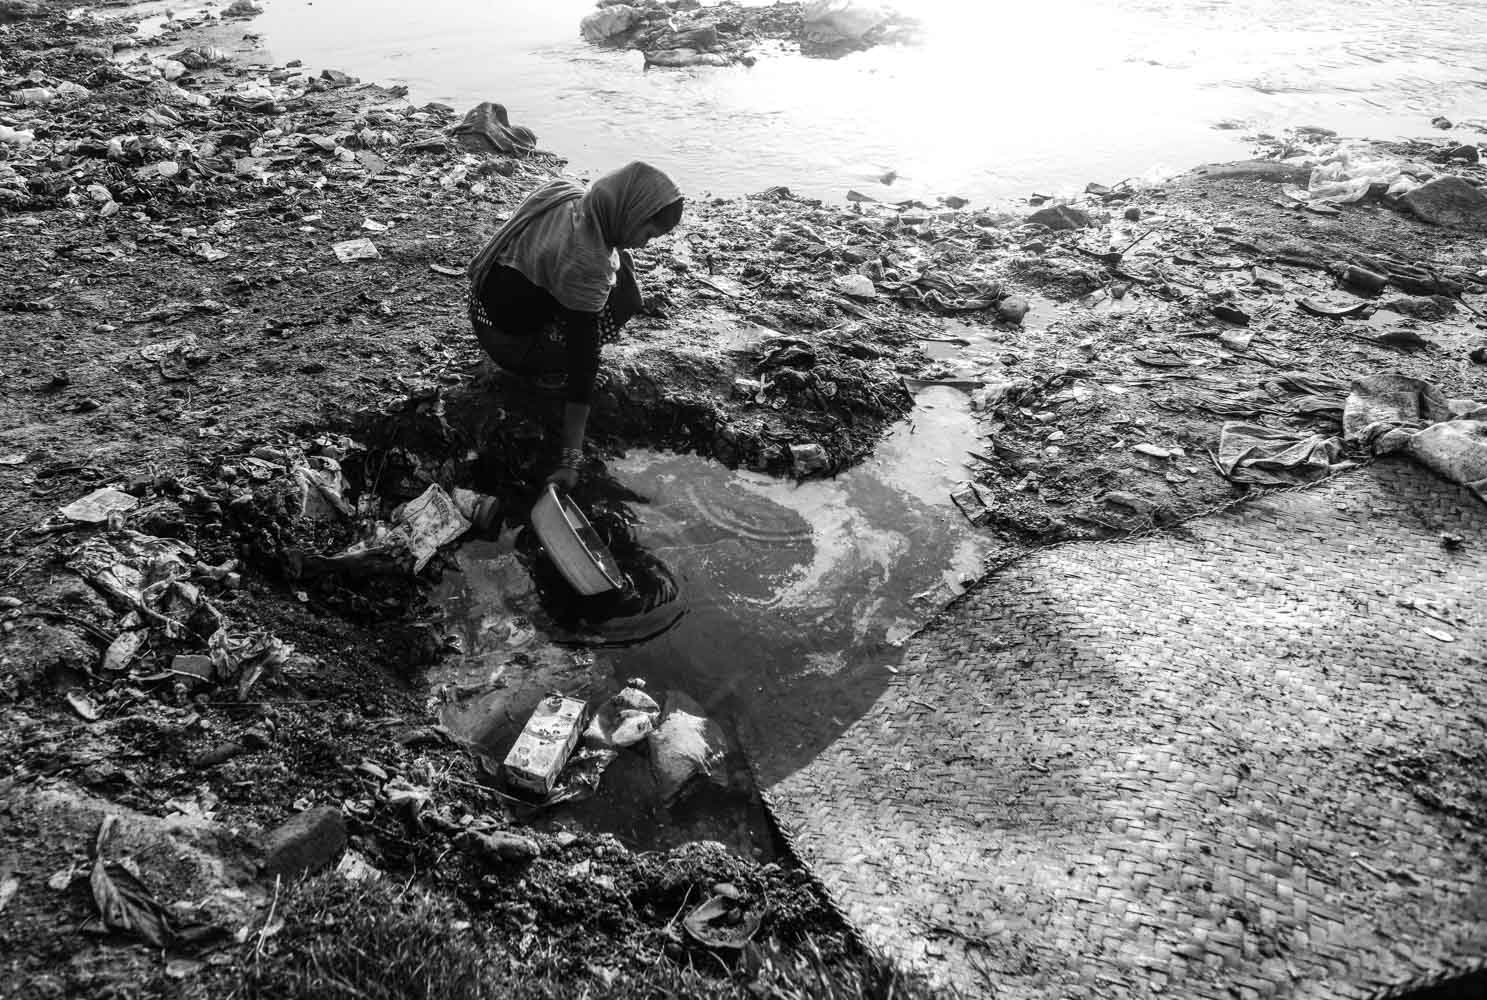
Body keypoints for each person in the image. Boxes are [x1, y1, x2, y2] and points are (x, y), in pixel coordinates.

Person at [467, 161, 684, 489]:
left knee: (620, 269)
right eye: (648, 234)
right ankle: (544, 370)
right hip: (506, 342)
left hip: (482, 308)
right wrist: (571, 458)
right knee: (609, 307)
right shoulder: (586, 261)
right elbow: (585, 359)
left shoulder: (568, 193)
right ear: (632, 211)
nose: (645, 244)